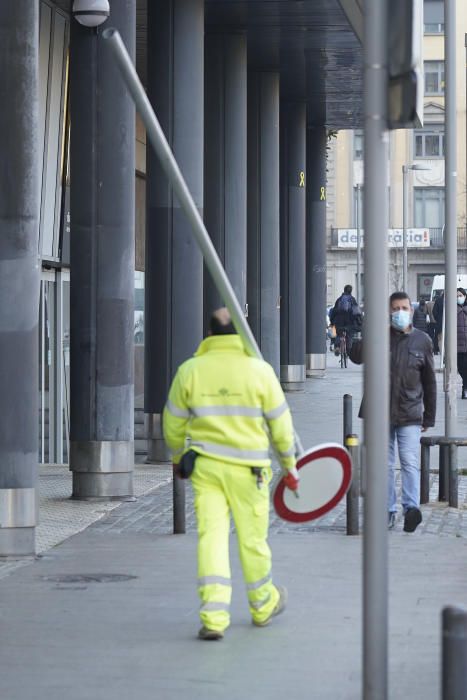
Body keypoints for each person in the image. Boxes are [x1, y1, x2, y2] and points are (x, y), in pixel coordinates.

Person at [163, 308, 299, 641]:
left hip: (206, 470)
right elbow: (281, 426)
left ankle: (213, 617)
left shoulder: (190, 371)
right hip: (250, 470)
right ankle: (263, 604)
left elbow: (172, 423)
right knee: (253, 541)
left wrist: (179, 458)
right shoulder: (260, 371)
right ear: (241, 334)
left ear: (208, 335)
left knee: (211, 539)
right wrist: (290, 467)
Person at [349, 291, 436, 533]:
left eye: (404, 308)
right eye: (395, 308)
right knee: (384, 464)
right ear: (389, 311)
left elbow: (429, 382)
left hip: (410, 411)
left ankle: (411, 509)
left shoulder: (422, 341)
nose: (400, 312)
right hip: (380, 411)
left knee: (409, 461)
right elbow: (356, 356)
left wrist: (429, 416)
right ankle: (387, 510)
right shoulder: (379, 336)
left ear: (411, 309)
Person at [329, 284, 362, 353]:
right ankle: (349, 350)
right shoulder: (352, 299)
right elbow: (356, 311)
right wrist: (359, 321)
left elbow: (334, 311)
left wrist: (332, 321)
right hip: (349, 320)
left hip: (339, 320)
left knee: (338, 333)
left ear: (344, 290)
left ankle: (337, 347)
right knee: (350, 334)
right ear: (351, 291)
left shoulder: (339, 299)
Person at [456, 287, 467, 399]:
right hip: (457, 345)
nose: (459, 298)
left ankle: (465, 389)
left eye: (460, 295)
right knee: (460, 368)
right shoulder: (452, 310)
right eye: (457, 296)